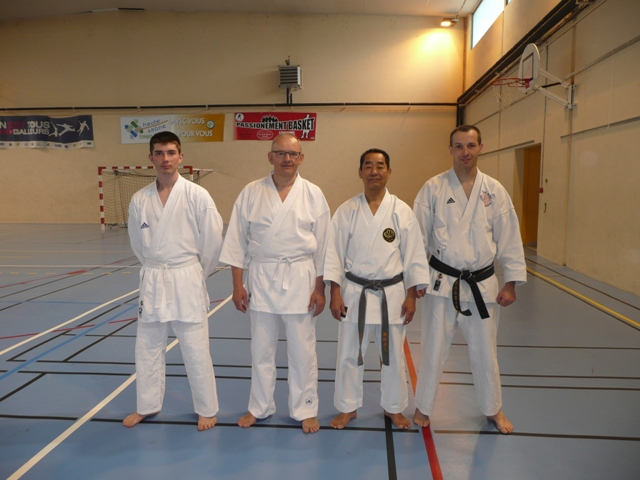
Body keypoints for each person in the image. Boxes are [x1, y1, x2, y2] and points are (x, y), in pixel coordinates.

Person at [412, 125, 527, 434]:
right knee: (433, 349)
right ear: (450, 149)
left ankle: (493, 408)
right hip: (441, 283)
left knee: (485, 352)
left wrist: (511, 281)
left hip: (482, 284)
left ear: (480, 147)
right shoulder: (433, 188)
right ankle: (423, 406)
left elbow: (509, 236)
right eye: (459, 146)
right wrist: (417, 279)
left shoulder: (494, 190)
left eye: (471, 145)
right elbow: (417, 237)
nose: (465, 152)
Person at [219, 133, 330, 434]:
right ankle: (259, 406)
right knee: (261, 349)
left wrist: (320, 288)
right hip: (262, 276)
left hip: (301, 277)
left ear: (301, 158)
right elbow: (236, 241)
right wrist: (238, 285)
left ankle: (306, 408)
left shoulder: (313, 194)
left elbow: (323, 246)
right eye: (280, 153)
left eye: (292, 154)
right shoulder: (251, 192)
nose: (286, 159)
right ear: (270, 157)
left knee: (303, 350)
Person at [123, 131, 223, 431]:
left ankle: (207, 408)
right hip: (154, 277)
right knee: (147, 346)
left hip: (186, 276)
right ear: (150, 157)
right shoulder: (140, 199)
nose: (165, 158)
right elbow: (137, 244)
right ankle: (147, 405)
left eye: (170, 152)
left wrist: (196, 273)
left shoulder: (197, 195)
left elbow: (213, 241)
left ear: (181, 156)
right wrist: (155, 267)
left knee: (195, 347)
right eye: (159, 153)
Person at [324, 149, 430, 429]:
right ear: (360, 172)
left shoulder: (402, 211)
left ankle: (394, 408)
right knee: (349, 353)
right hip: (354, 293)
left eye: (380, 166)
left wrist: (411, 296)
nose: (374, 171)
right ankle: (347, 407)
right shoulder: (346, 211)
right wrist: (334, 293)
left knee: (392, 355)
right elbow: (333, 254)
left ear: (389, 172)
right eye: (368, 166)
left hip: (391, 296)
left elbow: (413, 256)